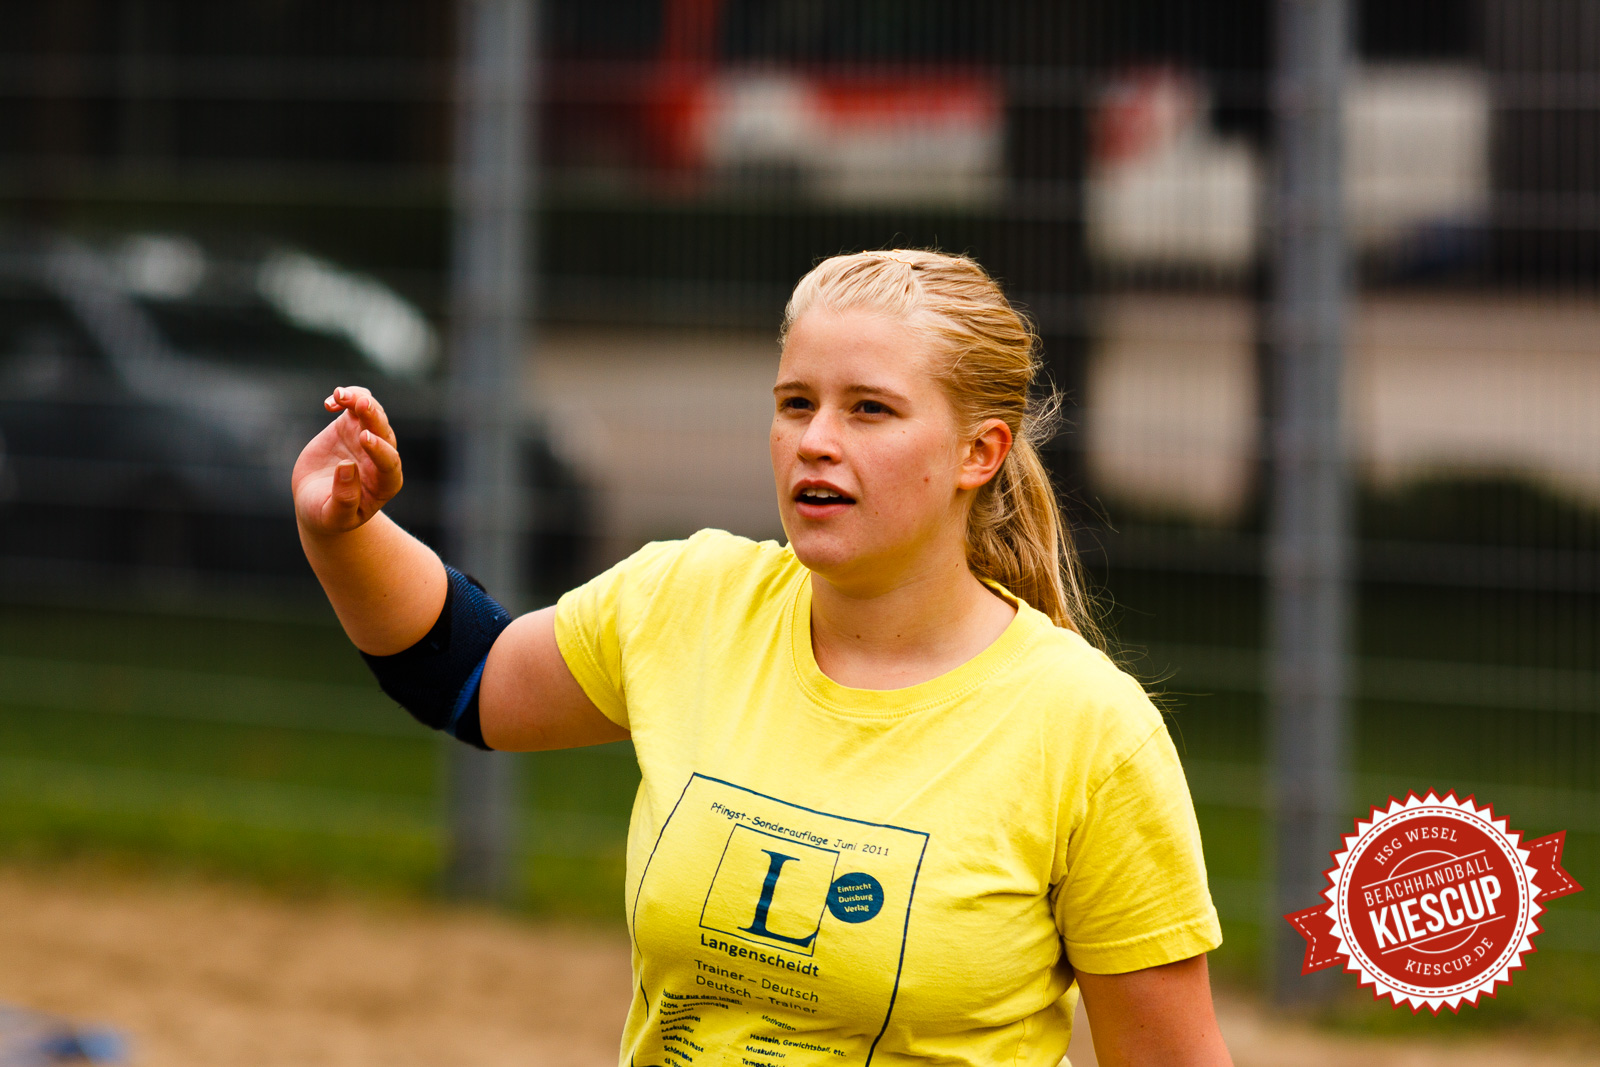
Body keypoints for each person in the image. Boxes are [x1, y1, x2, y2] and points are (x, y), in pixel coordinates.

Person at [292, 249, 1231, 1066]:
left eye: (869, 409)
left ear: (978, 452)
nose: (816, 442)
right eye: (796, 403)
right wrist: (343, 531)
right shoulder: (689, 599)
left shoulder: (1089, 729)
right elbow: (468, 676)